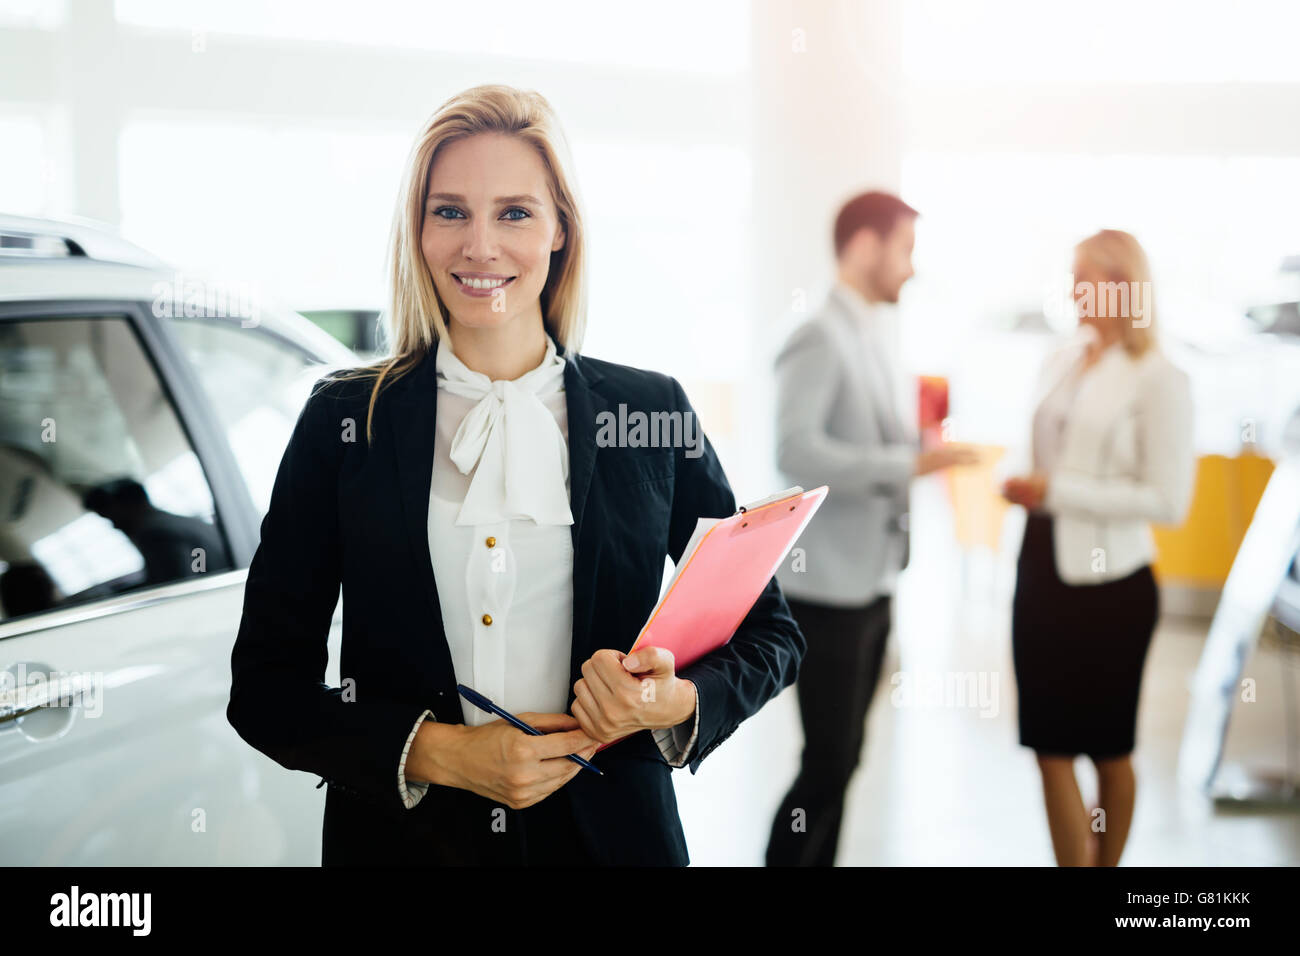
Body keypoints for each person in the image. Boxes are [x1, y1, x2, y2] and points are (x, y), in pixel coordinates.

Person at [226, 84, 805, 866]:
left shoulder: (650, 412)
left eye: (515, 213)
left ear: (561, 228)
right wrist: (438, 754)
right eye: (451, 212)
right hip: (403, 848)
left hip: (614, 841)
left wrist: (673, 701)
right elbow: (265, 689)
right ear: (418, 230)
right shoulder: (344, 421)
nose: (481, 247)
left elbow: (771, 633)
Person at [765, 191, 977, 866]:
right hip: (826, 591)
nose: (911, 269)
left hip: (873, 578)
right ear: (864, 246)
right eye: (905, 250)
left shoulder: (872, 331)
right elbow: (796, 451)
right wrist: (910, 463)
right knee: (827, 762)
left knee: (845, 760)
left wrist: (922, 445)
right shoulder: (818, 332)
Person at [1001, 229, 1194, 866]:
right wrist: (1031, 489)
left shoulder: (1160, 378)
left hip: (1113, 587)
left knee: (1110, 749)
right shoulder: (1061, 358)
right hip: (1041, 565)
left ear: (1124, 286)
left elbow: (1169, 502)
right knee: (1048, 744)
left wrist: (1058, 490)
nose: (1073, 289)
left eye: (1085, 276)